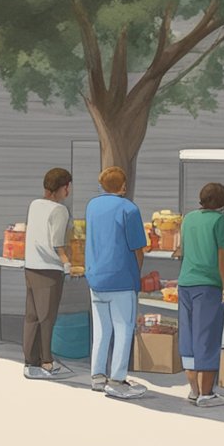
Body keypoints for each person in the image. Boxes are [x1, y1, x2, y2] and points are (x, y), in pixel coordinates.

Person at [85, 167, 149, 400]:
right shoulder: (129, 209)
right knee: (123, 330)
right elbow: (137, 248)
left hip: (96, 278)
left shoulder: (92, 206)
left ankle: (97, 377)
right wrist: (136, 274)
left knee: (101, 330)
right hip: (121, 279)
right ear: (123, 186)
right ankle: (117, 380)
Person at [177, 182, 224, 408]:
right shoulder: (220, 222)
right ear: (223, 201)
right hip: (208, 286)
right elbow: (223, 260)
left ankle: (194, 390)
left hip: (185, 284)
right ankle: (207, 393)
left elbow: (182, 249)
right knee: (208, 338)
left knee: (189, 337)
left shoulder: (189, 218)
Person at [22, 168, 76, 381]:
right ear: (64, 187)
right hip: (49, 269)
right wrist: (68, 264)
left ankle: (30, 362)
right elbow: (57, 244)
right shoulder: (60, 211)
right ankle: (47, 363)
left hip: (31, 266)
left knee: (32, 316)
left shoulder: (34, 205)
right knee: (47, 318)